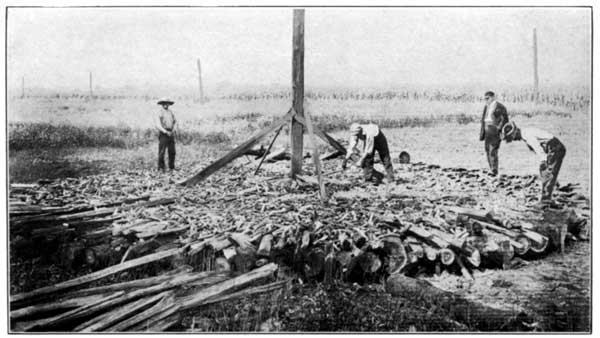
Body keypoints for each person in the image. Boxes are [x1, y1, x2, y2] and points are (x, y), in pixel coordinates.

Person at [501, 121, 566, 205]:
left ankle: (546, 199)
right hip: (552, 147)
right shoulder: (525, 133)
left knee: (547, 171)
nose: (513, 140)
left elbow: (537, 147)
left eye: (512, 137)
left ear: (515, 132)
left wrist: (543, 160)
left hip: (555, 147)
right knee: (545, 171)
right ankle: (546, 194)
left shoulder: (527, 135)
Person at [480, 91, 509, 176]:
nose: (486, 100)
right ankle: (491, 168)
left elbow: (505, 120)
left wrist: (499, 129)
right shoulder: (486, 107)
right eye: (485, 99)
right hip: (487, 129)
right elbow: (483, 118)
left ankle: (494, 170)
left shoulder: (500, 107)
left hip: (494, 129)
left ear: (493, 97)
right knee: (487, 149)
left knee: (493, 150)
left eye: (488, 98)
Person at [154, 98, 177, 171]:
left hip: (171, 133)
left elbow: (175, 122)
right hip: (164, 133)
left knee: (172, 151)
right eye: (164, 103)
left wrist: (173, 130)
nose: (165, 105)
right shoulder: (159, 112)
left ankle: (171, 167)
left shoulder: (171, 112)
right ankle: (161, 167)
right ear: (162, 104)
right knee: (162, 151)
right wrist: (165, 132)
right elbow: (158, 125)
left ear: (169, 104)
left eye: (167, 103)